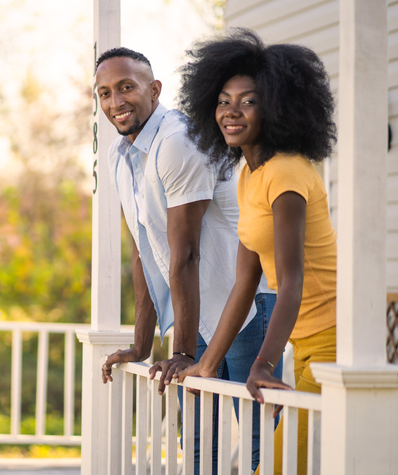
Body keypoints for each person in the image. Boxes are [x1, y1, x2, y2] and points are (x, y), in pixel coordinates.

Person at [95, 47, 280, 474]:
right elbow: (146, 252)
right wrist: (142, 344)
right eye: (104, 93)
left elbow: (187, 252)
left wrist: (180, 351)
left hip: (246, 305)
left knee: (260, 446)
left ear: (154, 90)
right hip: (193, 313)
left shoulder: (178, 141)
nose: (115, 102)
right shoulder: (120, 156)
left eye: (126, 88)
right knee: (198, 442)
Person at [176, 29, 337, 475]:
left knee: (282, 464)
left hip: (334, 340)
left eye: (248, 100)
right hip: (306, 343)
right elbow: (245, 281)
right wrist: (206, 366)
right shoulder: (250, 174)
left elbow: (292, 279)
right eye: (225, 99)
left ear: (277, 107)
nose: (231, 111)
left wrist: (263, 363)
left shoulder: (285, 173)